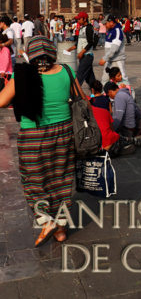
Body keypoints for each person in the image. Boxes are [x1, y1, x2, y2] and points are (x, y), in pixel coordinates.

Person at [0, 36, 85, 246]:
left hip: (33, 136)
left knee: (34, 180)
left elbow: (1, 101)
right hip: (64, 133)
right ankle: (61, 230)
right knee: (62, 178)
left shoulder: (22, 76)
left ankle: (46, 220)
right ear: (52, 52)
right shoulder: (66, 71)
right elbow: (81, 98)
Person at [68, 12, 96, 88]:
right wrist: (70, 49)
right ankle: (96, 92)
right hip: (83, 56)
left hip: (87, 56)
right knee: (90, 78)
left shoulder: (89, 28)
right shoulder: (81, 28)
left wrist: (81, 52)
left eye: (79, 19)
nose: (78, 21)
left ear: (84, 19)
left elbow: (91, 43)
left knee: (79, 76)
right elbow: (80, 42)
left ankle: (74, 93)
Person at [99, 15, 129, 86]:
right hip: (109, 60)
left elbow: (114, 48)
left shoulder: (117, 31)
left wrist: (104, 58)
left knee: (122, 79)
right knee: (105, 79)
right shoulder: (110, 31)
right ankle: (104, 94)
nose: (104, 25)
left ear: (111, 22)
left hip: (117, 60)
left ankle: (129, 95)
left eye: (105, 23)